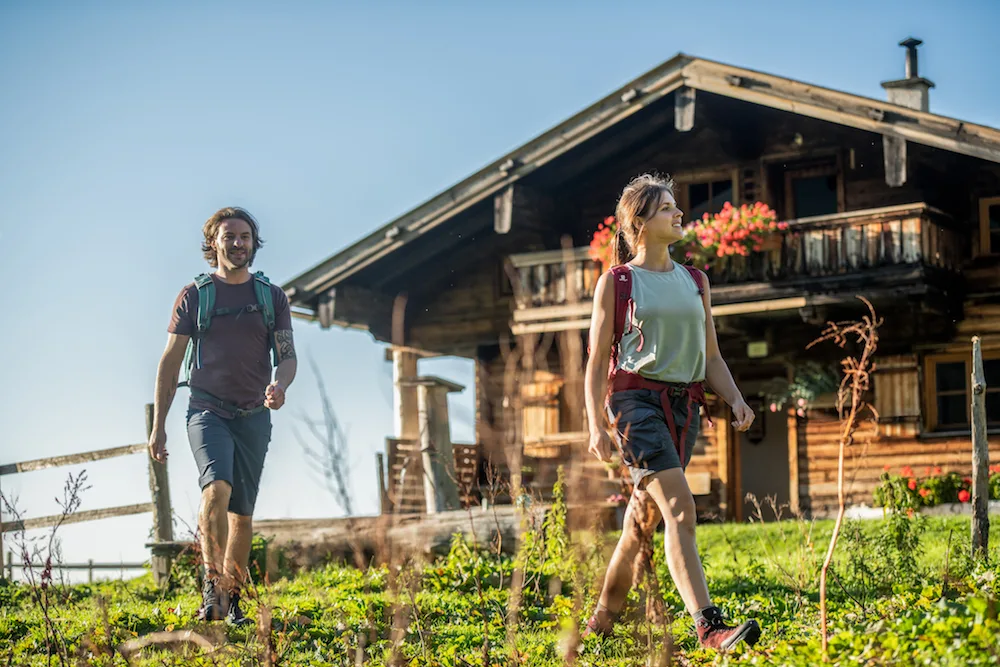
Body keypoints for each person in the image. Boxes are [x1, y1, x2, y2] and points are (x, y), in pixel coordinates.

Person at [582, 174, 761, 652]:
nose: (679, 214)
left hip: (685, 407)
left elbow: (712, 357)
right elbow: (598, 360)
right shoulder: (618, 283)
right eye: (666, 209)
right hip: (634, 403)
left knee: (641, 523)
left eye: (676, 207)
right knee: (680, 507)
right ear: (638, 222)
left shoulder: (696, 281)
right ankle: (708, 627)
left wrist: (736, 398)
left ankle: (600, 624)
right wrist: (595, 425)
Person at [148, 206, 296, 624]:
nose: (238, 243)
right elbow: (170, 363)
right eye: (229, 236)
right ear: (213, 243)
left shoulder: (271, 297)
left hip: (254, 416)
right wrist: (159, 425)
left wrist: (280, 385)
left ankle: (232, 601)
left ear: (254, 242)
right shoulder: (195, 296)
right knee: (217, 489)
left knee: (242, 514)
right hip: (207, 410)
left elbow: (287, 357)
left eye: (245, 236)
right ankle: (212, 588)